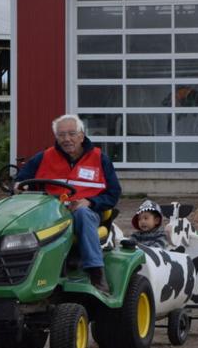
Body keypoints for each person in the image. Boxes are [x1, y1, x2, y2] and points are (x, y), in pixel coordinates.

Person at [15, 113, 121, 294]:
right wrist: (18, 186)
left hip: (87, 212)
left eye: (72, 134)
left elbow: (113, 193)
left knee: (82, 214)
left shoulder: (99, 159)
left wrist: (90, 202)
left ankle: (96, 272)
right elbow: (20, 180)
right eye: (62, 135)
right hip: (51, 213)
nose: (67, 139)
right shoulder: (44, 157)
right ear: (56, 137)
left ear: (81, 135)